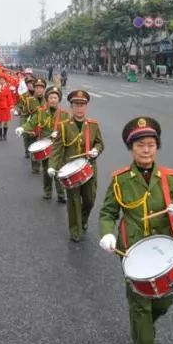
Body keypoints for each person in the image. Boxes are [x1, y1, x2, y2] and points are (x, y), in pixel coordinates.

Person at [98, 117, 173, 344]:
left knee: (163, 302)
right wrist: (107, 234)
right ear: (132, 148)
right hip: (133, 252)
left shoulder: (169, 178)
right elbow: (107, 213)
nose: (146, 149)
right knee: (140, 304)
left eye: (151, 144)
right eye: (140, 145)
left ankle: (142, 329)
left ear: (157, 147)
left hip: (164, 253)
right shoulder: (120, 180)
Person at [48, 90, 104, 242]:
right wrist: (52, 166)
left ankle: (83, 219)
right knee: (73, 201)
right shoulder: (64, 126)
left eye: (82, 105)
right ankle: (75, 229)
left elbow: (100, 143)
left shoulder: (93, 125)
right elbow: (57, 148)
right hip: (71, 170)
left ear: (86, 107)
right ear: (71, 107)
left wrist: (95, 150)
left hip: (89, 169)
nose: (79, 108)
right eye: (76, 105)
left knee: (90, 200)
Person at [16, 86, 70, 203]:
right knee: (47, 170)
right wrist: (22, 128)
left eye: (55, 98)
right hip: (45, 146)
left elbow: (70, 130)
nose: (53, 100)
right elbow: (31, 123)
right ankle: (47, 192)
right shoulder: (41, 113)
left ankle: (61, 194)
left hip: (59, 148)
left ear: (59, 99)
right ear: (47, 99)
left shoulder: (65, 115)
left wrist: (60, 133)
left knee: (59, 170)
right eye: (50, 97)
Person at [24, 78, 48, 173]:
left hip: (45, 127)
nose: (39, 89)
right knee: (34, 147)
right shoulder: (29, 100)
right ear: (34, 89)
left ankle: (46, 165)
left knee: (46, 147)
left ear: (44, 89)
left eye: (41, 88)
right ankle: (35, 167)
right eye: (37, 88)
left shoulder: (48, 100)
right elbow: (25, 115)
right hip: (33, 127)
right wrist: (25, 128)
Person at [15, 77, 36, 159]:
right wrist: (18, 111)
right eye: (29, 84)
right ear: (27, 85)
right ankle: (27, 150)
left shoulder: (37, 95)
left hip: (35, 117)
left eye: (32, 83)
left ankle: (33, 150)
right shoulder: (24, 96)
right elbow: (20, 106)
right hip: (25, 117)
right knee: (26, 135)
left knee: (34, 135)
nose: (31, 85)